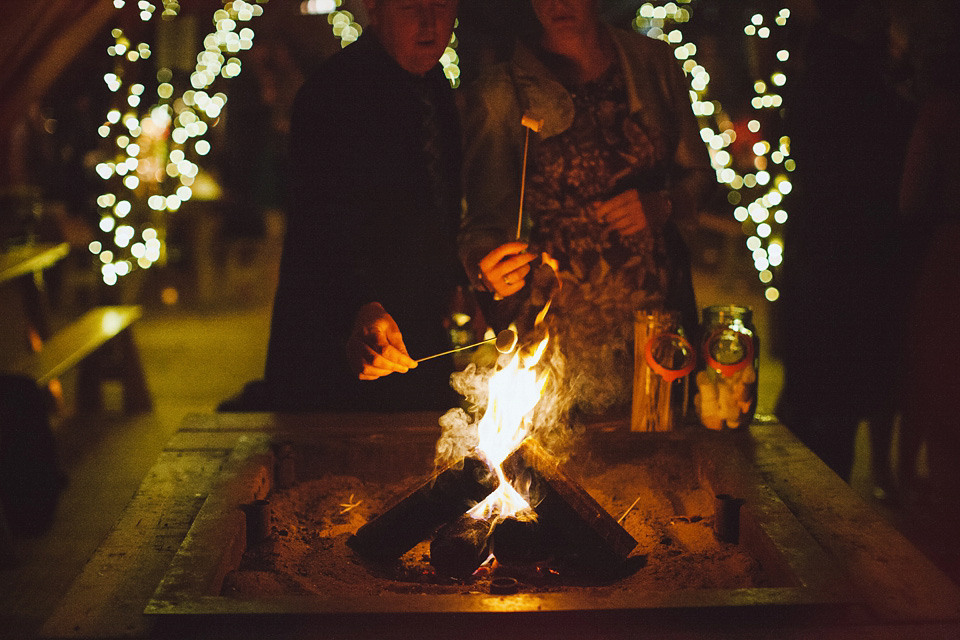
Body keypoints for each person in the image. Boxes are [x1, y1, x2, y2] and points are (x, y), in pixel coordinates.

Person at [457, 0, 713, 417]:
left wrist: (662, 205)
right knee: (568, 466)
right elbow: (483, 218)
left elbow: (698, 175)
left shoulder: (651, 64)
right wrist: (485, 266)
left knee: (662, 454)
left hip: (656, 315)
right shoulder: (505, 90)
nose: (557, 4)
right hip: (556, 324)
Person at [257, 0, 464, 412]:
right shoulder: (332, 94)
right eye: (410, 7)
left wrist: (456, 281)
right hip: (335, 347)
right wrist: (359, 303)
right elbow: (319, 226)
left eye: (441, 5)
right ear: (374, 8)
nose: (429, 23)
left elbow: (437, 205)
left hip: (417, 340)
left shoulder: (436, 84)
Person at [774, 0, 913, 484]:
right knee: (830, 402)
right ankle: (816, 522)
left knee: (816, 395)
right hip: (848, 259)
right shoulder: (852, 77)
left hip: (825, 252)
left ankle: (806, 509)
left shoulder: (826, 68)